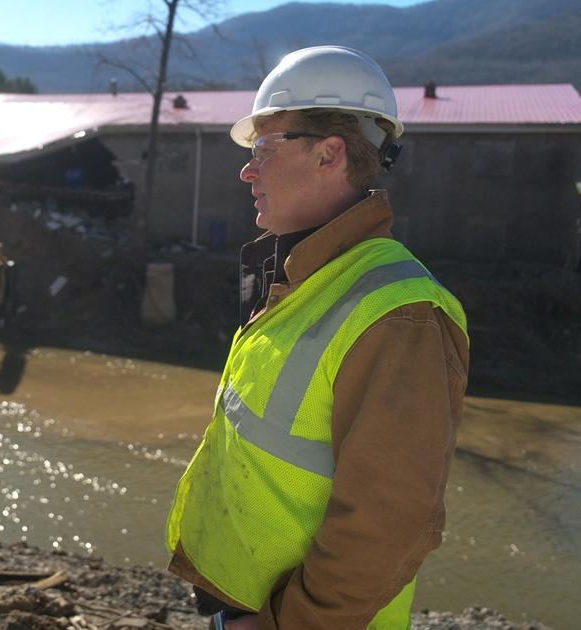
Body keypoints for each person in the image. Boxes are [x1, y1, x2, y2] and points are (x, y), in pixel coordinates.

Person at [165, 46, 469, 629]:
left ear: (330, 153)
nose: (246, 170)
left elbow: (389, 523)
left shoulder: (402, 316)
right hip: (246, 606)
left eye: (263, 148)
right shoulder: (304, 276)